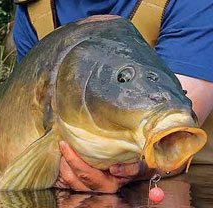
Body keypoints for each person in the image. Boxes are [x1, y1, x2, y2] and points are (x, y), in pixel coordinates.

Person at [13, 0, 213, 193]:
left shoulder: (194, 4)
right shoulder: (33, 9)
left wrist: (131, 170)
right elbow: (26, 116)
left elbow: (175, 132)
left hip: (190, 183)